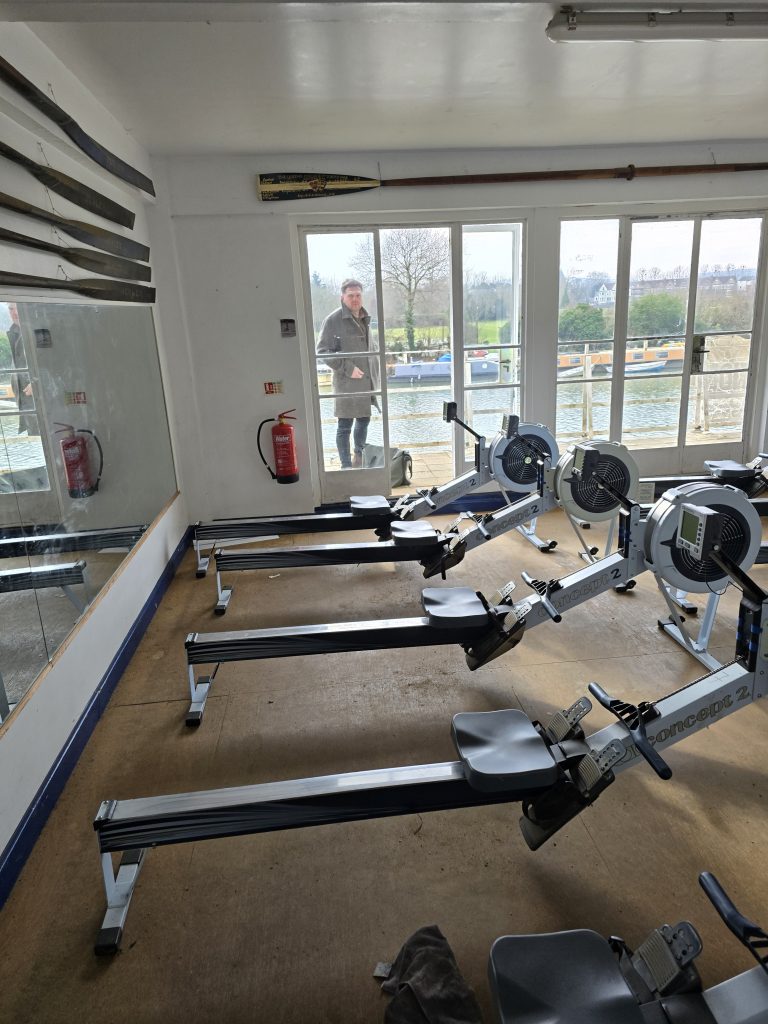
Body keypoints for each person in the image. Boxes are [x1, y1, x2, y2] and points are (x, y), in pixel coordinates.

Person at [316, 278, 380, 469]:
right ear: (342, 297)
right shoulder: (333, 320)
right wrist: (348, 368)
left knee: (364, 420)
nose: (355, 299)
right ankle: (346, 466)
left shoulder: (365, 317)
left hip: (366, 381)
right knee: (344, 426)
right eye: (350, 296)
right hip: (346, 383)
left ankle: (358, 457)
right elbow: (322, 351)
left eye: (358, 295)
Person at [7, 305, 35, 437]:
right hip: (27, 408)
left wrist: (37, 384)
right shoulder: (15, 334)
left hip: (41, 405)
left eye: (17, 307)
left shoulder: (35, 331)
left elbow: (58, 363)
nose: (15, 313)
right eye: (10, 309)